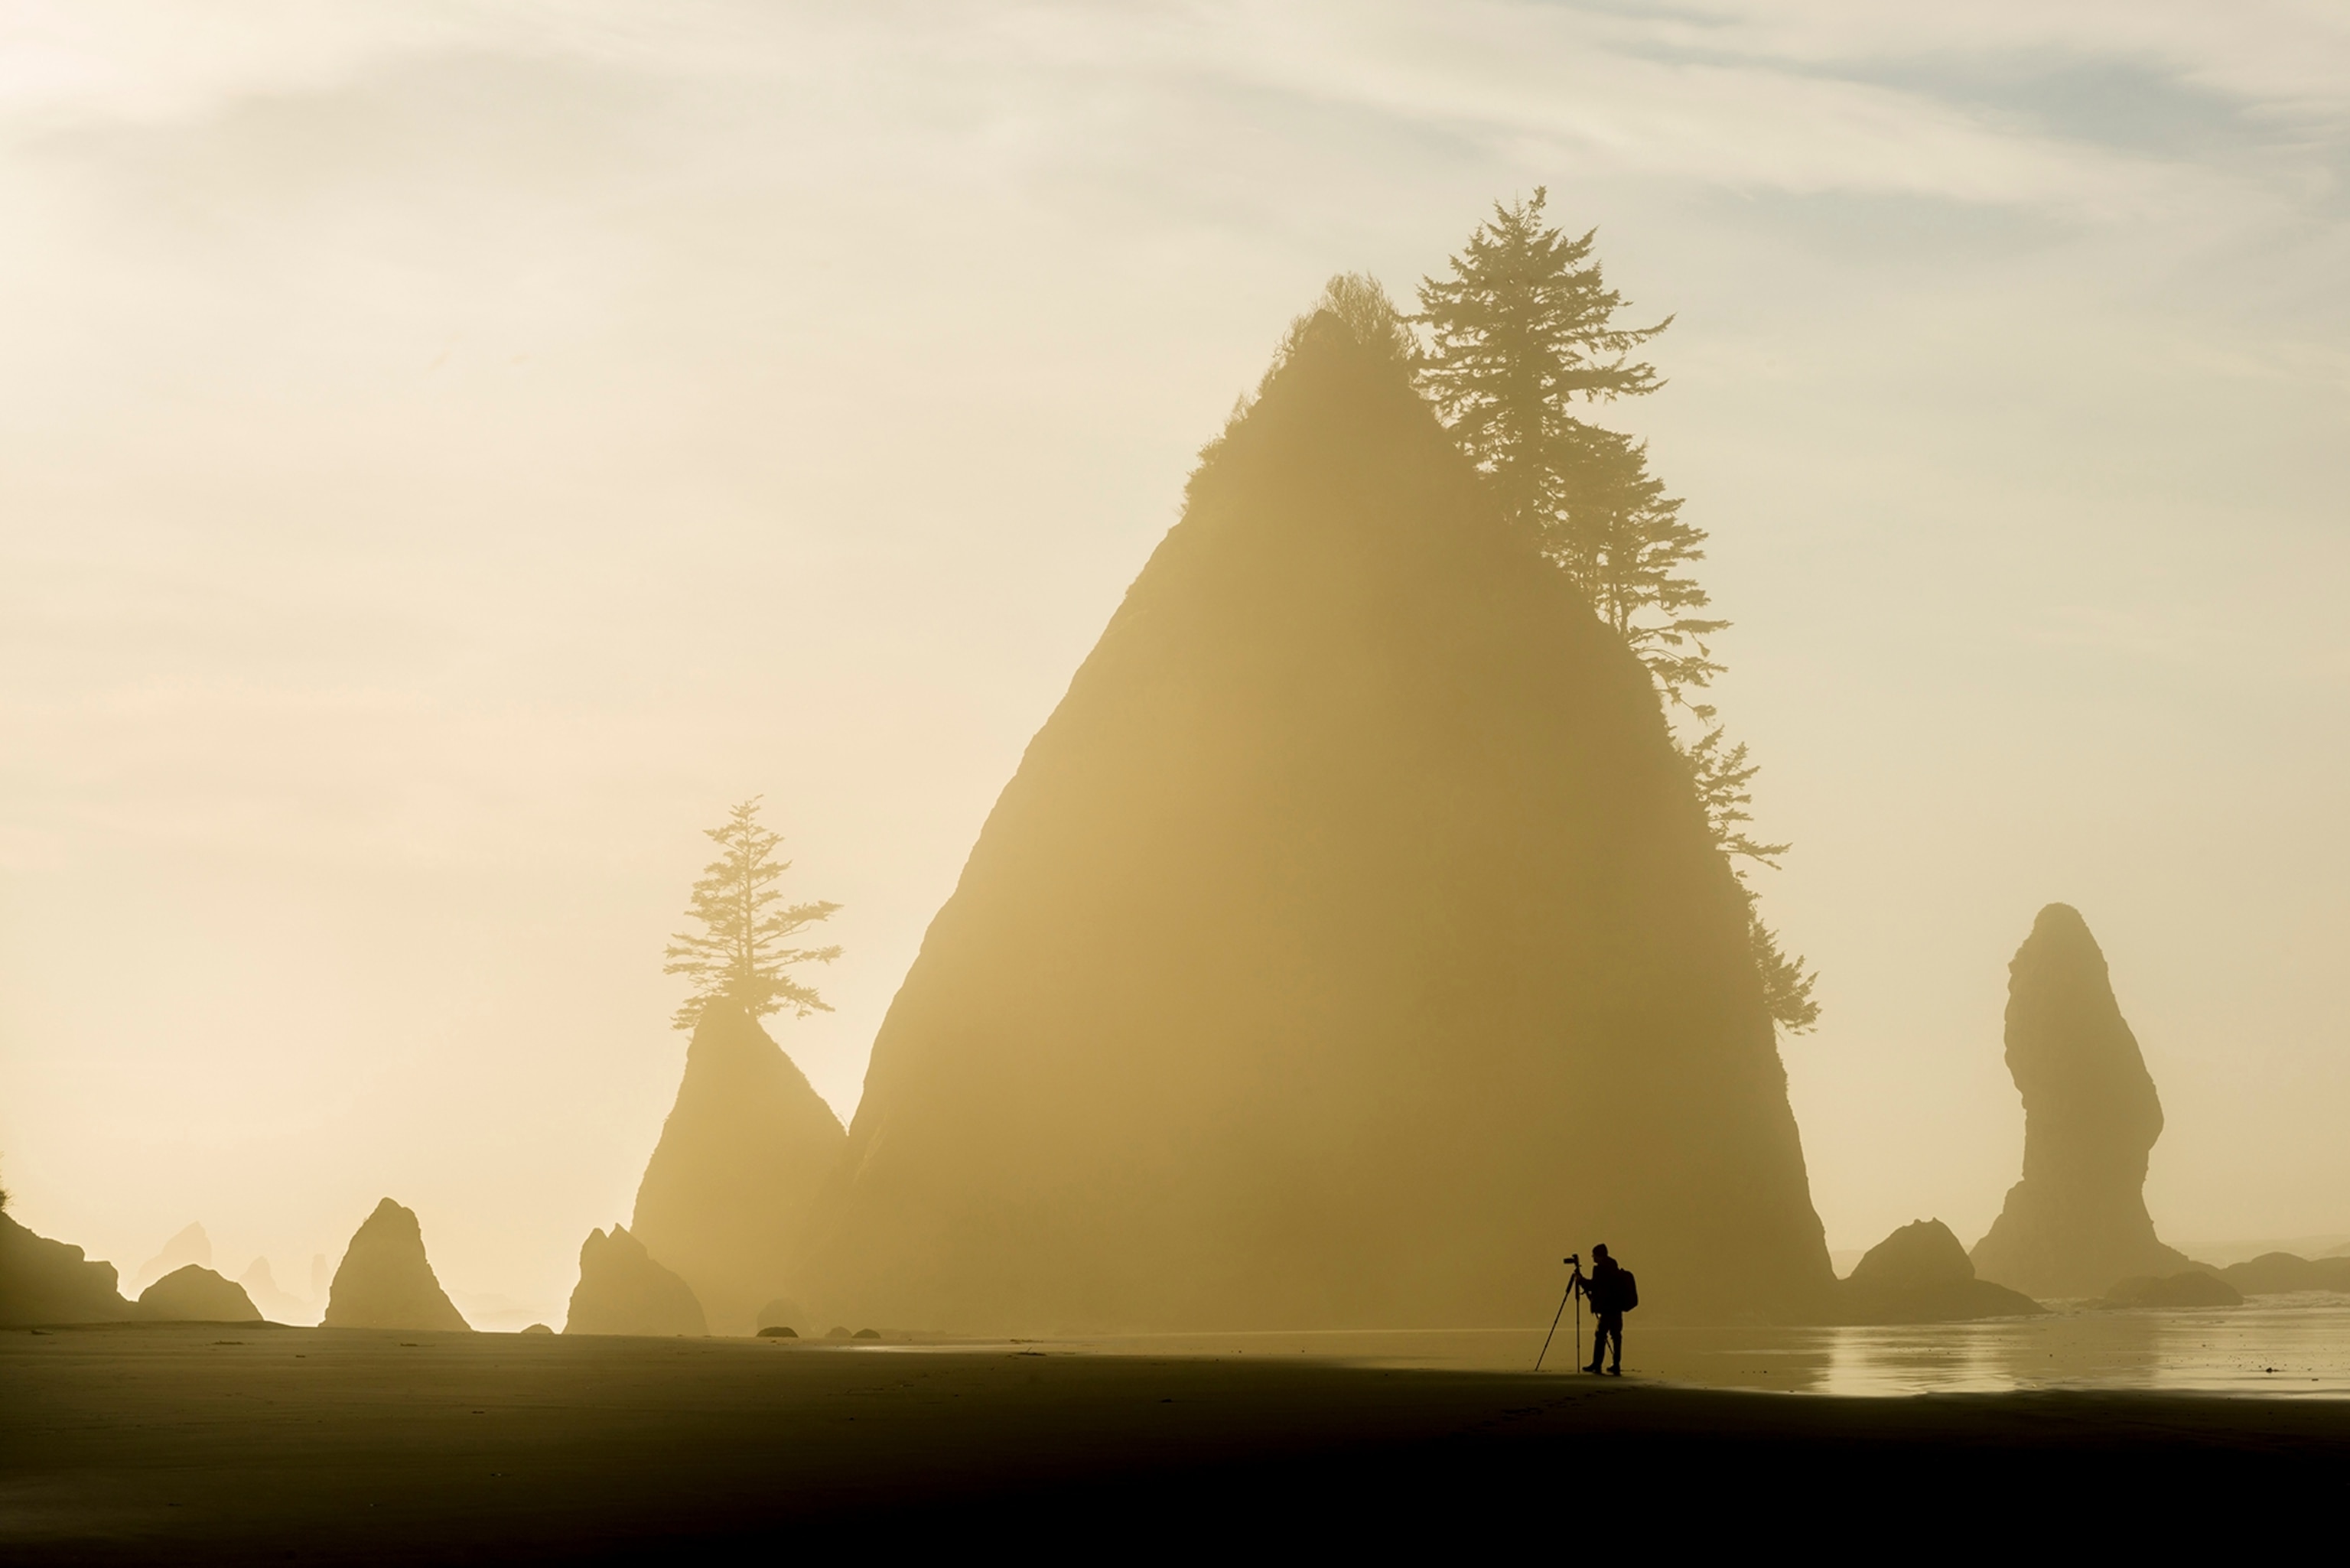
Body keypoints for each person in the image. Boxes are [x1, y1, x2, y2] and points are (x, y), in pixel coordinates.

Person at [1573, 1244, 1628, 1375]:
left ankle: (1597, 1364)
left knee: (1600, 1336)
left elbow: (1594, 1286)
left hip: (1607, 1308)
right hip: (1617, 1306)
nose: (1593, 1258)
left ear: (1599, 1255)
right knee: (1616, 1336)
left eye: (1594, 1255)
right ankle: (1616, 1364)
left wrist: (1580, 1280)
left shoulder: (1600, 1269)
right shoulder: (1614, 1266)